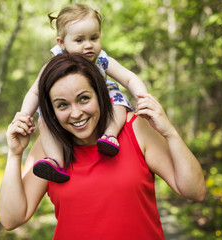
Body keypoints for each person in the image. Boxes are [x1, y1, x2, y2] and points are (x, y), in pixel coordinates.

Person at [0, 53, 206, 239]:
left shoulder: (135, 128)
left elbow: (194, 191)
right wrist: (15, 154)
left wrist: (169, 132)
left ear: (100, 94)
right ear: (51, 110)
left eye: (84, 99)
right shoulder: (49, 149)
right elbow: (12, 219)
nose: (76, 113)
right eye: (62, 105)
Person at [20, 3, 148, 183]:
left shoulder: (102, 59)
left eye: (94, 38)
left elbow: (128, 78)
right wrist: (24, 115)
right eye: (79, 40)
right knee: (44, 121)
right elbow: (35, 92)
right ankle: (55, 161)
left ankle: (110, 135)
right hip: (67, 105)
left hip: (102, 98)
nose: (88, 45)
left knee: (118, 100)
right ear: (62, 43)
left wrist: (142, 97)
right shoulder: (53, 65)